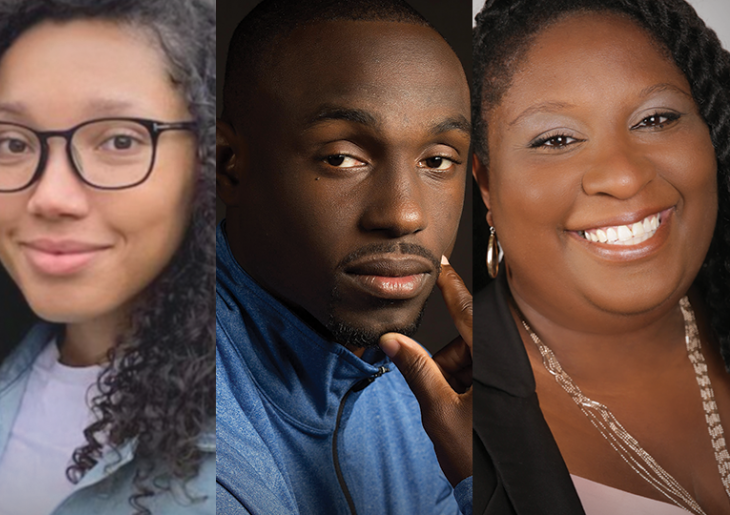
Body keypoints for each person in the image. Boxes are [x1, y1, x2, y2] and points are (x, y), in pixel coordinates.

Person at [0, 0, 215, 514]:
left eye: (118, 140)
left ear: (205, 161)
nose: (50, 197)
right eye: (11, 142)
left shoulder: (245, 450)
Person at [471, 0, 730, 513]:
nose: (624, 176)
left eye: (655, 118)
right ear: (485, 184)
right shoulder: (436, 416)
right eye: (557, 139)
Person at [215, 0, 474, 513]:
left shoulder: (429, 404)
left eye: (438, 160)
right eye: (341, 158)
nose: (403, 214)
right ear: (227, 166)